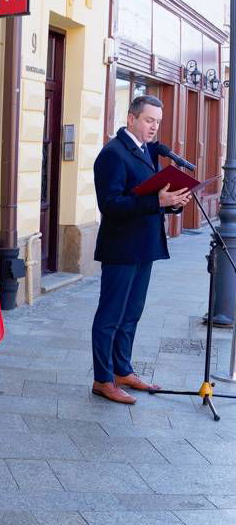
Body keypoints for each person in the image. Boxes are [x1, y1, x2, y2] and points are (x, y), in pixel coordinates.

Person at [91, 95, 191, 404]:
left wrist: (172, 204)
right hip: (121, 247)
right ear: (131, 118)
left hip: (144, 245)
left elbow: (151, 196)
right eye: (149, 120)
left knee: (132, 313)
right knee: (110, 315)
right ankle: (102, 380)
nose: (154, 127)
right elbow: (110, 204)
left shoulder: (147, 151)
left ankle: (123, 370)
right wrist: (157, 202)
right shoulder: (113, 154)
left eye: (158, 122)